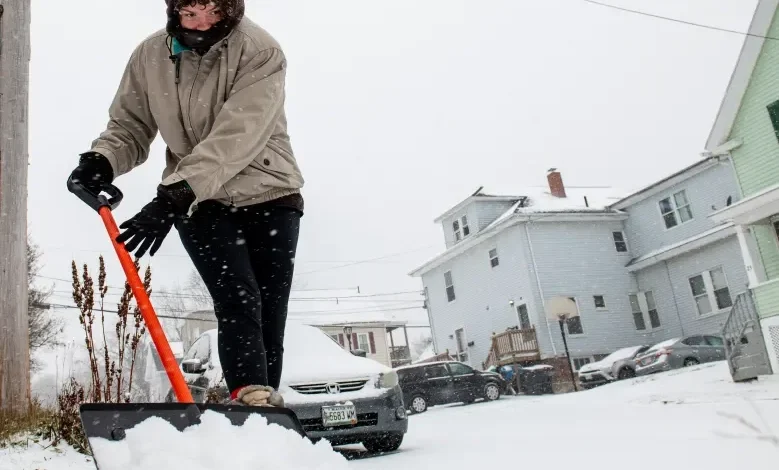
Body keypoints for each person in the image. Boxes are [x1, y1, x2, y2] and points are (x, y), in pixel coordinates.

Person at [67, 0, 303, 408]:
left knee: (267, 310)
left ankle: (260, 408)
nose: (202, 25)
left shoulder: (260, 50)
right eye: (190, 14)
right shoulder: (150, 54)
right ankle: (250, 394)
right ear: (173, 11)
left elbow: (237, 135)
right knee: (236, 298)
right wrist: (101, 160)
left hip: (268, 194)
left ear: (231, 10)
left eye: (213, 13)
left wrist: (174, 196)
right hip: (199, 202)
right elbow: (131, 125)